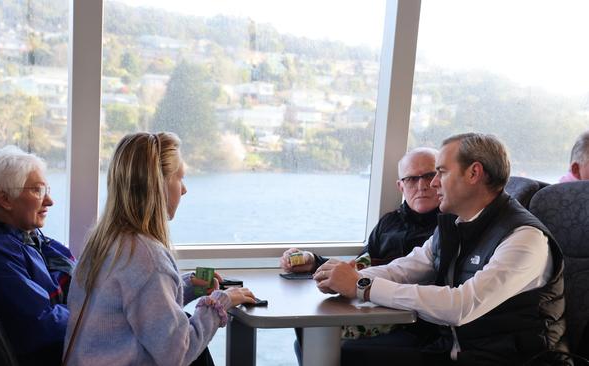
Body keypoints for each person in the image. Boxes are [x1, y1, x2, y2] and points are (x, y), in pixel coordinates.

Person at [314, 133, 567, 365]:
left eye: (441, 172)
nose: (433, 183)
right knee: (344, 353)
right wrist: (344, 277)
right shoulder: (455, 224)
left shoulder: (524, 239)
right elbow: (406, 268)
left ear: (473, 173)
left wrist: (362, 287)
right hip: (455, 349)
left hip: (513, 360)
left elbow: (460, 306)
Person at [62, 132, 256, 366]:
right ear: (159, 184)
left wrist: (184, 287)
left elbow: (133, 305)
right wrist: (219, 303)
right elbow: (178, 353)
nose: (183, 190)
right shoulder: (147, 258)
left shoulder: (103, 240)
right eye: (179, 178)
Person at [0, 146, 75, 365]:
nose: (49, 201)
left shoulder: (25, 236)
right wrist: (96, 312)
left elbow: (74, 270)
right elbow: (42, 323)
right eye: (38, 191)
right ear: (5, 199)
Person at [280, 147, 440, 274]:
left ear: (441, 179)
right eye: (411, 179)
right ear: (401, 187)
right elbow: (359, 266)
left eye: (429, 176)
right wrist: (313, 262)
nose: (421, 186)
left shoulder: (452, 226)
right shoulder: (389, 223)